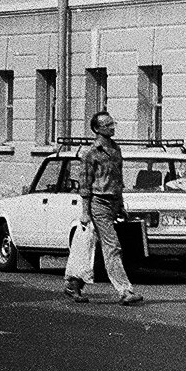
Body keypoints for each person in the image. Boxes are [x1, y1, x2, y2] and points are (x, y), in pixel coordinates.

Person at [63, 111, 143, 305]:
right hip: (98, 202)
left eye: (112, 123)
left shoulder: (116, 149)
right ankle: (125, 291)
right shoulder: (91, 153)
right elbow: (85, 183)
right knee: (112, 246)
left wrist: (121, 204)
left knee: (92, 246)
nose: (112, 127)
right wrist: (84, 212)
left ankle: (73, 284)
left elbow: (118, 179)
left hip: (113, 202)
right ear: (97, 129)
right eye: (107, 125)